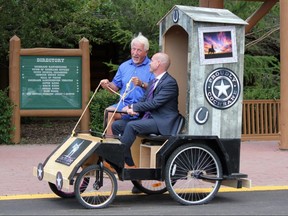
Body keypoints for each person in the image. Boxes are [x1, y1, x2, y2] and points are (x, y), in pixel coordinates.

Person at [112, 52, 180, 168]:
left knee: (131, 126)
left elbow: (155, 103)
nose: (149, 63)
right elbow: (144, 100)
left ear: (158, 63)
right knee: (117, 125)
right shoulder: (154, 82)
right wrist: (131, 108)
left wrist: (133, 107)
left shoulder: (170, 83)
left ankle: (116, 156)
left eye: (152, 60)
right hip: (150, 118)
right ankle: (130, 164)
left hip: (162, 122)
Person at [100, 33, 154, 136]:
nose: (135, 53)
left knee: (111, 112)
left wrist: (142, 84)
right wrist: (107, 85)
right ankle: (111, 144)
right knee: (108, 111)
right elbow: (115, 87)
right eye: (133, 49)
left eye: (139, 50)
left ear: (146, 52)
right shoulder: (124, 66)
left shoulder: (151, 66)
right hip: (124, 105)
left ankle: (111, 145)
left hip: (141, 106)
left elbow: (156, 88)